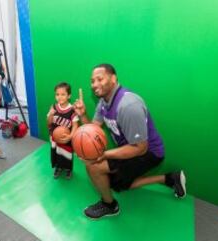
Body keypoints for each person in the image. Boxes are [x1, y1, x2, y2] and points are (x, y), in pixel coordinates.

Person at [74, 63, 186, 219]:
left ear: (113, 78)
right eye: (92, 81)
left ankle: (110, 206)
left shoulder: (128, 105)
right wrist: (82, 115)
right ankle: (169, 178)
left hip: (149, 152)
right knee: (113, 183)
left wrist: (105, 155)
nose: (94, 84)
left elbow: (140, 148)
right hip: (131, 148)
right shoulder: (104, 102)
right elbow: (92, 133)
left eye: (100, 79)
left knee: (94, 168)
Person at [47, 82, 79, 179]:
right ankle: (58, 167)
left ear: (69, 96)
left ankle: (68, 169)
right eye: (57, 94)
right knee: (56, 153)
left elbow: (75, 125)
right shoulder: (53, 107)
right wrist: (51, 115)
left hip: (66, 138)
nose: (59, 97)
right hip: (54, 138)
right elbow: (48, 123)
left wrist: (71, 136)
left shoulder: (73, 110)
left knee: (67, 155)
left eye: (63, 94)